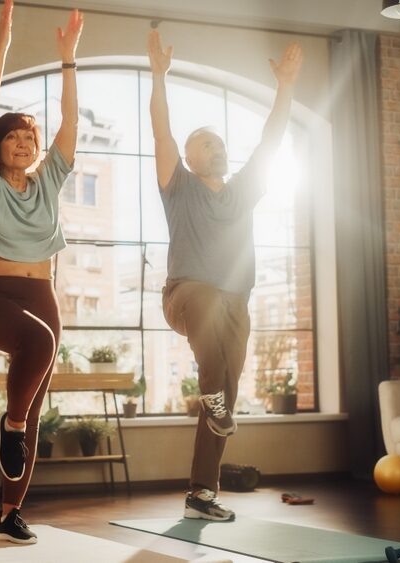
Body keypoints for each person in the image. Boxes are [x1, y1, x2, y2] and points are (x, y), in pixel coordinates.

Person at [147, 29, 302, 521]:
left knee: (223, 401)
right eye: (203, 143)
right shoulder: (179, 187)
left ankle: (201, 493)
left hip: (235, 302)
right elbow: (161, 131)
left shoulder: (241, 190)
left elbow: (272, 139)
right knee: (207, 305)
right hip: (186, 296)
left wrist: (286, 87)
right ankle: (212, 394)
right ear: (188, 159)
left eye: (217, 142)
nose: (214, 147)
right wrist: (157, 77)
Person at [0, 0, 82, 544]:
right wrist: (4, 42)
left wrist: (68, 62)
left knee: (32, 408)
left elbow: (71, 125)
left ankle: (10, 513)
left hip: (43, 293)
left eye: (29, 137)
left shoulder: (48, 182)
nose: (24, 141)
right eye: (13, 136)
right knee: (36, 350)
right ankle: (9, 429)